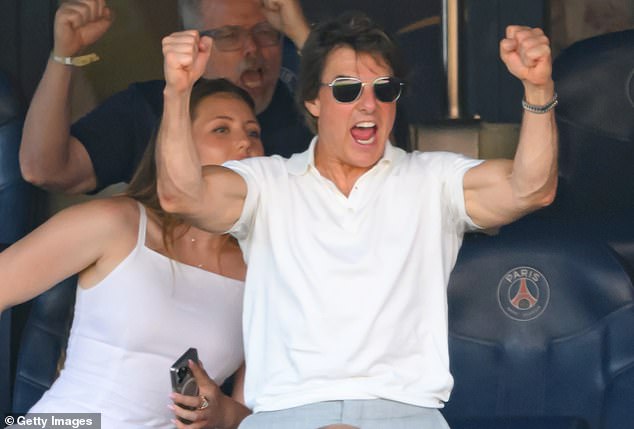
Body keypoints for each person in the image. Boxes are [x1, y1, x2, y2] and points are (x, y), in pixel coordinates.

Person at [156, 11, 558, 429]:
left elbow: (530, 188)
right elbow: (179, 194)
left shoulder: (432, 179)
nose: (369, 104)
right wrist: (177, 91)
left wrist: (538, 87)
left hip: (406, 414)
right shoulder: (267, 183)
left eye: (384, 89)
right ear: (312, 99)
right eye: (347, 89)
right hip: (287, 415)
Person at [0, 77, 264, 429]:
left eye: (254, 132)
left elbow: (261, 415)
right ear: (176, 146)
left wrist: (224, 414)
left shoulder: (263, 270)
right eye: (221, 130)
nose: (245, 142)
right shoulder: (117, 223)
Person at [19, 0, 313, 194]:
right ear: (193, 41)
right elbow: (44, 170)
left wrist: (301, 34)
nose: (252, 48)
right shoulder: (147, 107)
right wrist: (64, 56)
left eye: (266, 32)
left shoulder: (307, 109)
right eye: (228, 35)